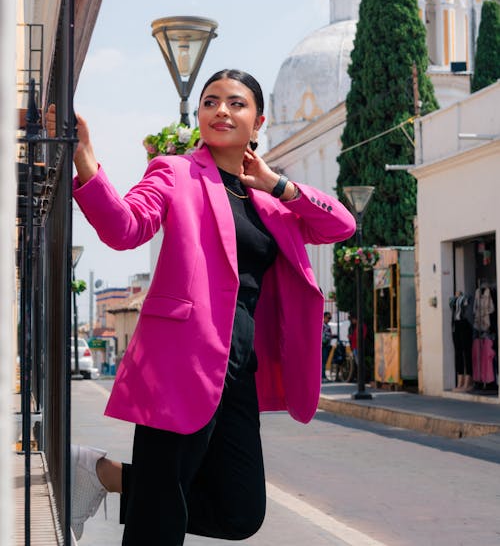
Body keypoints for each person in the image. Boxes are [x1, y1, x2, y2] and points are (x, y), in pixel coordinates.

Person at [49, 69, 355, 544]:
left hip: (238, 370)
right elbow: (125, 228)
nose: (221, 111)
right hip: (179, 362)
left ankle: (103, 474)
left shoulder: (273, 201)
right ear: (199, 117)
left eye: (236, 103)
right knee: (160, 515)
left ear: (258, 122)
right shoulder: (175, 172)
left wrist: (276, 184)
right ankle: (114, 480)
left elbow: (342, 226)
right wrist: (85, 158)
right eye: (210, 102)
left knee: (240, 511)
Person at [321, 312, 333, 381]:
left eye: (330, 318)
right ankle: (322, 376)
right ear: (324, 317)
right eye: (328, 318)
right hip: (323, 346)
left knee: (324, 361)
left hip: (326, 345)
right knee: (323, 361)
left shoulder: (327, 326)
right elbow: (323, 336)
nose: (329, 319)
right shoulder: (323, 326)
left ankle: (323, 375)